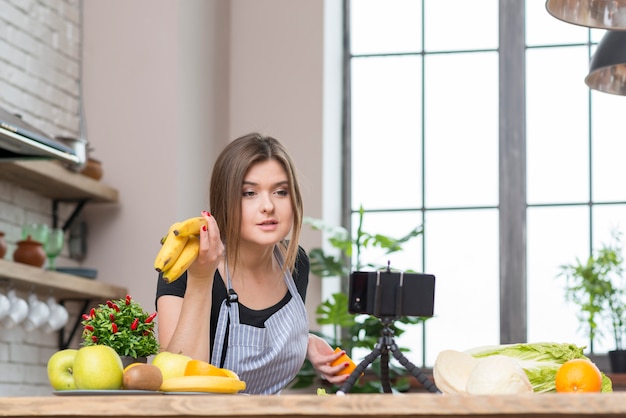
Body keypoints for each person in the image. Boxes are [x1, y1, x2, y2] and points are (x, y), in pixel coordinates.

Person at [155, 133, 351, 394]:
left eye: (281, 192)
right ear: (224, 201)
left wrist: (305, 341)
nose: (268, 206)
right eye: (249, 193)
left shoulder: (295, 264)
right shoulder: (188, 263)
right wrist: (201, 280)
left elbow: (265, 331)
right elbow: (179, 381)